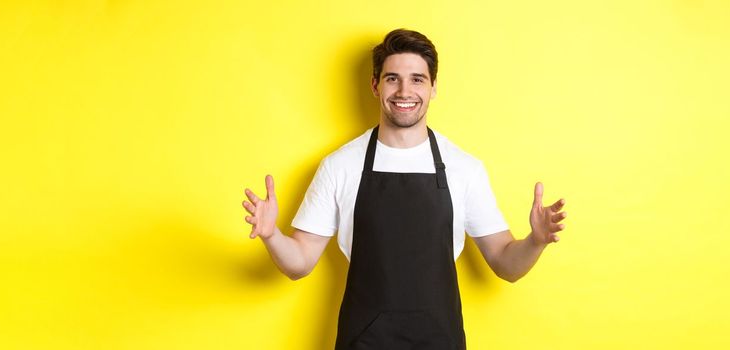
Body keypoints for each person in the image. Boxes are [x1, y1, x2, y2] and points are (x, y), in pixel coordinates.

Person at [242, 28, 567, 350]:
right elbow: (299, 263)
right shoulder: (340, 165)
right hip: (363, 341)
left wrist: (536, 241)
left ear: (433, 87)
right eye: (392, 78)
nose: (404, 91)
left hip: (441, 341)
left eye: (417, 79)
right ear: (375, 85)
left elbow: (506, 265)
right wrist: (271, 235)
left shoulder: (464, 168)